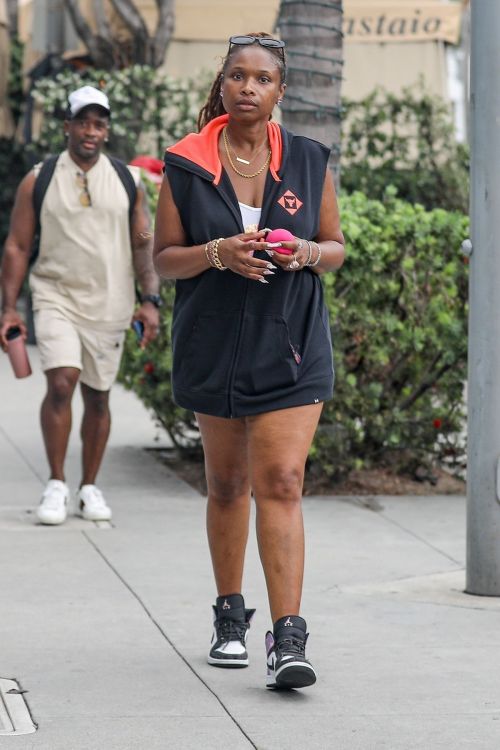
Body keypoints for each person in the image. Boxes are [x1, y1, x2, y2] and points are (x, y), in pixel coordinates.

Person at [153, 33, 345, 690]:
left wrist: (306, 255)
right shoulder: (186, 164)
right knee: (228, 485)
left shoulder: (311, 159)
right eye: (237, 75)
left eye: (261, 78)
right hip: (214, 339)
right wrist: (218, 253)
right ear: (224, 84)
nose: (247, 87)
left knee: (284, 481)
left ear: (279, 92)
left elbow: (335, 245)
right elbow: (164, 259)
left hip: (291, 340)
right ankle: (229, 615)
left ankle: (287, 637)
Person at [0, 85, 161, 525]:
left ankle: (89, 486)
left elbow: (142, 245)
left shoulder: (128, 180)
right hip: (55, 296)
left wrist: (150, 301)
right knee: (61, 383)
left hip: (110, 302)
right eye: (83, 122)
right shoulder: (41, 177)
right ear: (67, 126)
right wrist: (9, 308)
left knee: (98, 396)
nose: (91, 131)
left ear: (106, 131)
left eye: (99, 124)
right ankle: (56, 483)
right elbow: (16, 245)